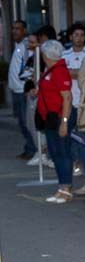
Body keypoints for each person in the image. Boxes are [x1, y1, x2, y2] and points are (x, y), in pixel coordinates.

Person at [62, 23, 85, 194]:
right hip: (69, 104)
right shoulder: (64, 54)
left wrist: (74, 73)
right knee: (69, 140)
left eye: (82, 35)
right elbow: (63, 74)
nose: (79, 38)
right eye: (75, 34)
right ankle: (79, 166)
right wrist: (77, 73)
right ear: (70, 37)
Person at [36, 40, 74, 203]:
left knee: (63, 153)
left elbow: (67, 98)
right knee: (56, 153)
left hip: (59, 117)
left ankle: (66, 188)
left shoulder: (59, 71)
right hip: (50, 117)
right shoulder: (50, 70)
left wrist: (64, 121)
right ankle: (62, 187)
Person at [8, 19, 36, 160]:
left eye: (18, 28)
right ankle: (29, 148)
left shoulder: (26, 45)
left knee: (27, 122)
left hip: (22, 91)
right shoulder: (18, 46)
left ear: (24, 30)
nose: (14, 31)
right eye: (13, 28)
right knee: (22, 122)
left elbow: (31, 67)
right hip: (16, 90)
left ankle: (33, 149)